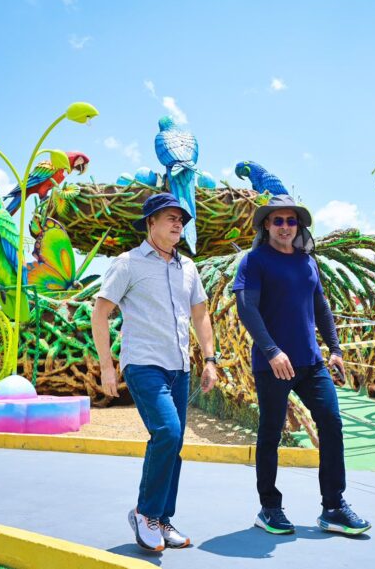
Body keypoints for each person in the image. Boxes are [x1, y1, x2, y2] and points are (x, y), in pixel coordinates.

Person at [232, 194, 371, 536]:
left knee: (332, 422)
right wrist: (271, 350)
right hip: (274, 365)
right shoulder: (254, 261)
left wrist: (335, 349)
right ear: (266, 224)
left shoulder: (308, 262)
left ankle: (334, 506)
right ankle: (269, 507)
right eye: (277, 221)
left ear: (299, 226)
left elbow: (321, 307)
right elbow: (247, 308)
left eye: (290, 221)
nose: (284, 227)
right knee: (271, 433)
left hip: (311, 363)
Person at [92, 193, 218, 552]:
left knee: (174, 444)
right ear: (150, 223)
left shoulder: (188, 268)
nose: (178, 223)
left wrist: (210, 360)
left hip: (181, 367)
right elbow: (100, 313)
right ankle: (145, 513)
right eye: (169, 217)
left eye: (181, 218)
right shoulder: (127, 263)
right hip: (144, 364)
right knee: (167, 431)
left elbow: (200, 315)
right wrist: (106, 367)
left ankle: (162, 519)